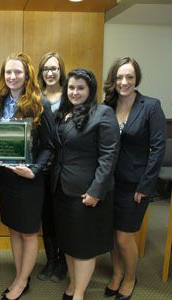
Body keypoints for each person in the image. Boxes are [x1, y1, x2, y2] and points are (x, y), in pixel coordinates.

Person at [0, 53, 54, 300]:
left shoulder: (39, 104)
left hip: (29, 180)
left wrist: (34, 169)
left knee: (28, 232)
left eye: (17, 72)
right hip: (5, 178)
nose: (13, 77)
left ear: (27, 76)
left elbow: (50, 145)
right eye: (8, 72)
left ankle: (22, 281)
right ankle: (19, 275)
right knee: (13, 229)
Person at [52, 68, 119, 300]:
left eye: (81, 87)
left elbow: (109, 156)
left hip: (87, 192)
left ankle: (79, 294)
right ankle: (73, 285)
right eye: (71, 87)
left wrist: (96, 191)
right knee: (69, 243)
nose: (75, 92)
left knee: (83, 247)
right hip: (62, 189)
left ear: (90, 90)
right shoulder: (64, 114)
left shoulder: (103, 113)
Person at [103, 57, 166, 300]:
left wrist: (146, 185)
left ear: (136, 78)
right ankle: (117, 274)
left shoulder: (150, 106)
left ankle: (130, 277)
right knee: (111, 234)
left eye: (129, 76)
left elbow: (158, 149)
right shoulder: (107, 106)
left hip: (135, 184)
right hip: (109, 182)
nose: (124, 82)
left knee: (124, 235)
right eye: (119, 77)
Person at [36, 52, 67, 282]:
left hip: (66, 166)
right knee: (46, 217)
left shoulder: (71, 95)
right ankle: (50, 261)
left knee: (62, 216)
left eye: (54, 68)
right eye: (46, 68)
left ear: (61, 71)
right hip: (43, 166)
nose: (50, 72)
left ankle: (63, 262)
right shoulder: (36, 97)